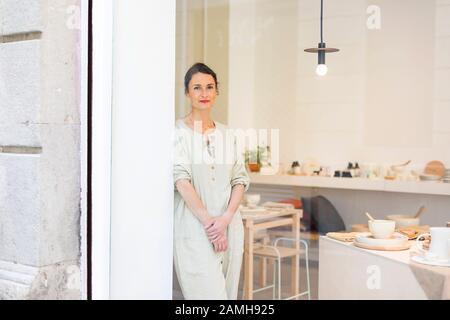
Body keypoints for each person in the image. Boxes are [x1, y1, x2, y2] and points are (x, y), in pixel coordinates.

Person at [173, 62, 250, 300]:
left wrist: (225, 220)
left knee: (228, 297)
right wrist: (211, 226)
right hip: (195, 230)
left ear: (217, 91)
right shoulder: (177, 133)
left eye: (209, 87)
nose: (204, 93)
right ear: (187, 92)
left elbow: (240, 179)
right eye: (197, 88)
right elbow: (181, 181)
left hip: (231, 227)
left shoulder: (228, 134)